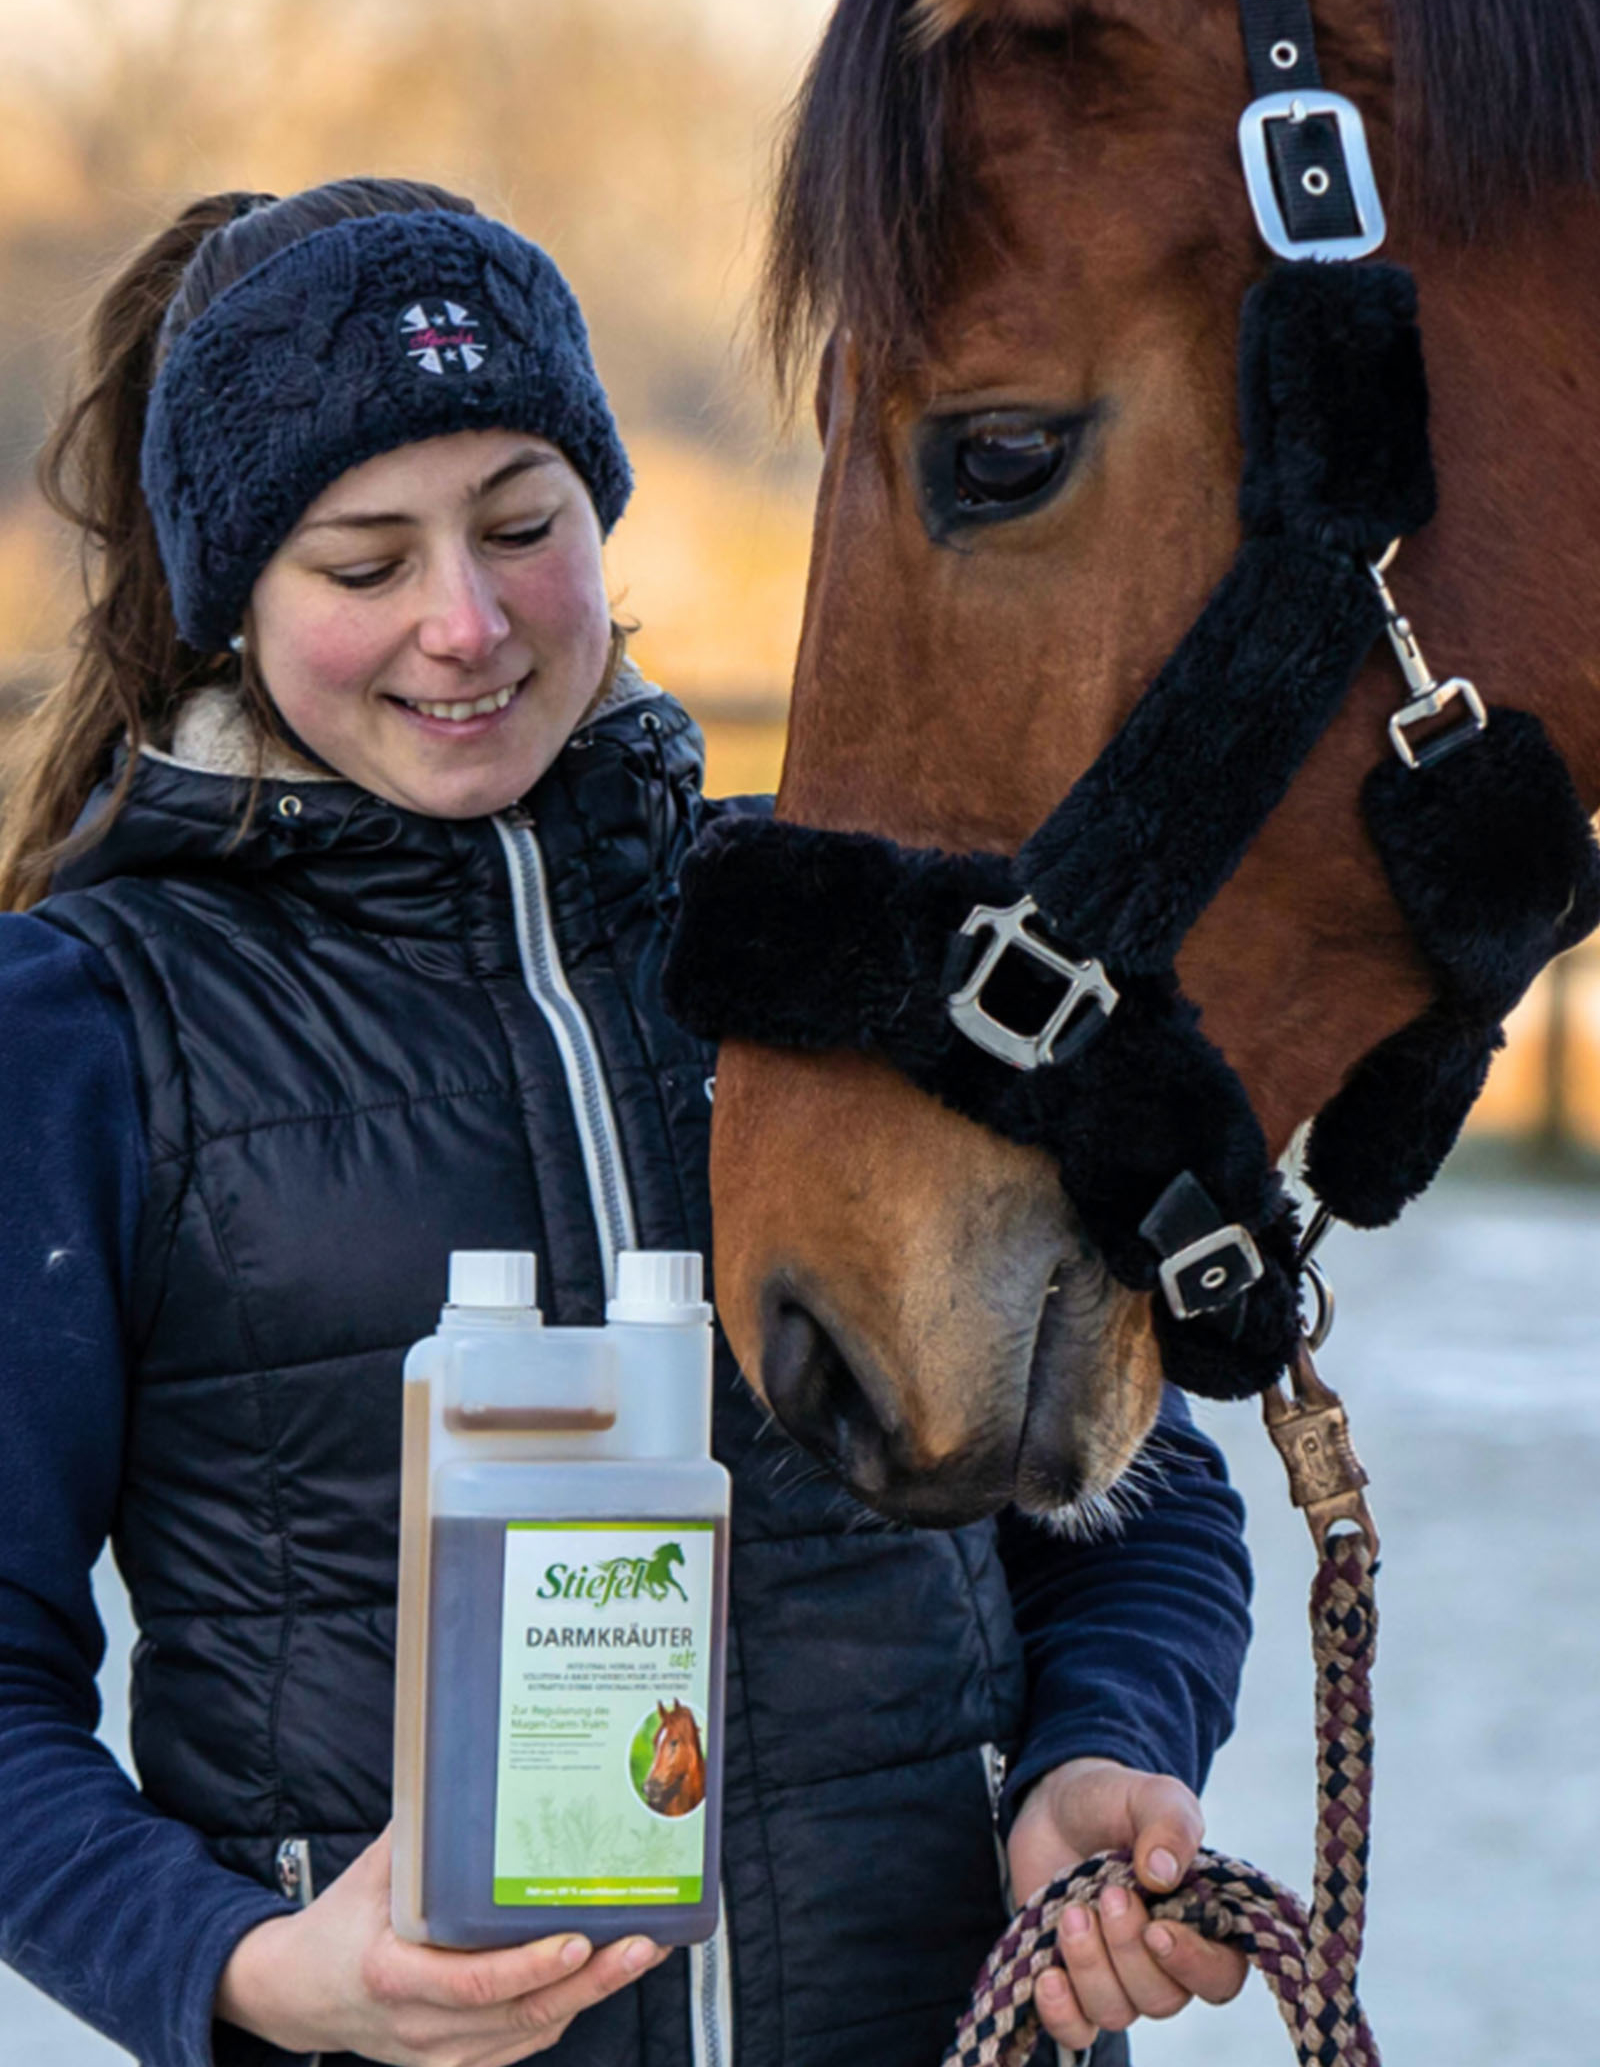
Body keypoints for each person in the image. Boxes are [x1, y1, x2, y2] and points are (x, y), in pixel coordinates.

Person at [0, 177, 1252, 2067]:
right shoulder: (89, 1031)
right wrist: (250, 1969)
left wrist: (1102, 1752)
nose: (465, 621)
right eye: (363, 565)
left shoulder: (849, 945)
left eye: (524, 526)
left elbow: (1127, 1491)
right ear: (232, 603)